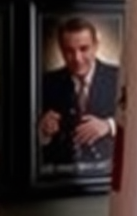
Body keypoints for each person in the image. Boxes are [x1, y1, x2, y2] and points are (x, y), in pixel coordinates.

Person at [37, 15, 119, 169]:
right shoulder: (46, 82)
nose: (77, 58)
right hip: (61, 174)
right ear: (61, 50)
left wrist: (109, 125)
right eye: (69, 51)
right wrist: (42, 131)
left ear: (95, 46)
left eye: (84, 49)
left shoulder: (119, 77)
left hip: (108, 174)